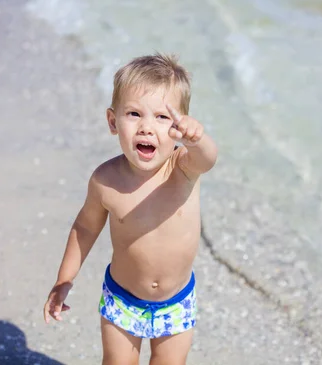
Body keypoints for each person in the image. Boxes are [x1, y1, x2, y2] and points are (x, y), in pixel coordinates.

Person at [43, 52, 218, 365]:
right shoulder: (106, 180)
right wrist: (64, 279)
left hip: (175, 301)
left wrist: (198, 139)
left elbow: (208, 158)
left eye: (163, 118)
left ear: (179, 128)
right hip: (122, 298)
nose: (147, 128)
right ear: (113, 122)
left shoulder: (183, 167)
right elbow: (84, 228)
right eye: (134, 114)